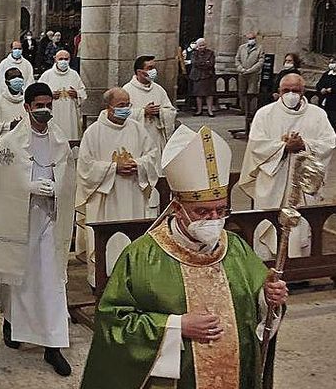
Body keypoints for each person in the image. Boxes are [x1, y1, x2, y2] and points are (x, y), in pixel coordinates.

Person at [79, 124, 289, 389]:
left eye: (220, 210)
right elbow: (114, 322)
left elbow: (259, 307)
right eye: (202, 212)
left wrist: (268, 299)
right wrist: (176, 327)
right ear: (177, 208)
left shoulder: (235, 247)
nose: (214, 220)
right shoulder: (142, 256)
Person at [0, 82, 76, 377]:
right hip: (20, 219)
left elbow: (69, 179)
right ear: (28, 107)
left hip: (49, 220)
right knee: (18, 276)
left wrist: (57, 189)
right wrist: (27, 187)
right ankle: (12, 322)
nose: (44, 110)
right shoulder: (10, 143)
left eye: (48, 104)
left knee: (50, 281)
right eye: (39, 105)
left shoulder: (59, 141)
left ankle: (53, 346)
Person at [240, 73, 336, 259]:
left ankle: (298, 268)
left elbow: (329, 143)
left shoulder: (318, 115)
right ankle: (267, 265)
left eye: (296, 90)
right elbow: (256, 145)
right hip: (273, 181)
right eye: (286, 90)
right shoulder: (265, 114)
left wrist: (304, 145)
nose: (291, 94)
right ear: (278, 92)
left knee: (300, 225)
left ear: (303, 92)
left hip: (303, 182)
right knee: (269, 223)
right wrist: (283, 148)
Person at [75, 88, 158, 288]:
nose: (126, 109)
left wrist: (138, 164)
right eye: (121, 105)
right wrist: (113, 168)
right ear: (108, 107)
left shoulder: (137, 128)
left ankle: (134, 279)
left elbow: (153, 155)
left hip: (132, 194)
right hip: (105, 200)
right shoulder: (94, 132)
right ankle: (103, 280)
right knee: (108, 242)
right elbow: (85, 167)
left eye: (128, 104)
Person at [123, 55, 178, 215]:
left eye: (154, 67)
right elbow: (122, 114)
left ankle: (159, 207)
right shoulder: (127, 90)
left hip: (156, 138)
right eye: (149, 68)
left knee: (157, 174)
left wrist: (160, 112)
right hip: (137, 142)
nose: (153, 71)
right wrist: (142, 112)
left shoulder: (158, 89)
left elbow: (171, 111)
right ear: (139, 72)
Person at [38, 50, 87, 140]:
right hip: (53, 114)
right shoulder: (47, 75)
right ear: (55, 59)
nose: (63, 61)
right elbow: (37, 94)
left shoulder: (74, 75)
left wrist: (77, 94)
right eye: (60, 59)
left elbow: (83, 93)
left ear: (69, 60)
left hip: (70, 114)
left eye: (66, 59)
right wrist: (49, 96)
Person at [235, 32, 265, 116]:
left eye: (252, 38)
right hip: (242, 73)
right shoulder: (242, 48)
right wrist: (241, 69)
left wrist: (251, 70)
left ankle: (251, 110)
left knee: (252, 92)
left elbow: (260, 61)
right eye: (249, 39)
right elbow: (237, 59)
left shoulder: (259, 48)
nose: (251, 40)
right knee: (242, 91)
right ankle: (243, 109)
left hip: (253, 74)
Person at [188, 38, 217, 117]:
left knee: (209, 94)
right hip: (197, 76)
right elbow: (195, 63)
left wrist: (202, 63)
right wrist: (205, 63)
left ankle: (210, 111)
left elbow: (211, 64)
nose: (201, 47)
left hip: (208, 75)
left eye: (203, 45)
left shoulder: (210, 53)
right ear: (197, 46)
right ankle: (199, 110)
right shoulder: (194, 53)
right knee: (198, 94)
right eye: (200, 46)